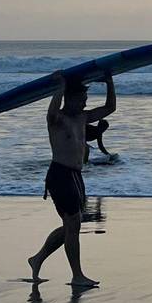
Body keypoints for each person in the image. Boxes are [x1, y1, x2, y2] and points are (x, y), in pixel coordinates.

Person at [28, 72, 115, 288]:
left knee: (71, 225)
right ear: (70, 99)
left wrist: (109, 82)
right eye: (81, 100)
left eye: (86, 100)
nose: (84, 104)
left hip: (76, 176)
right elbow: (51, 112)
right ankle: (77, 276)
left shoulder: (82, 118)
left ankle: (37, 259)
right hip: (60, 174)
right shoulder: (57, 119)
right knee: (73, 225)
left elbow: (110, 108)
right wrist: (60, 87)